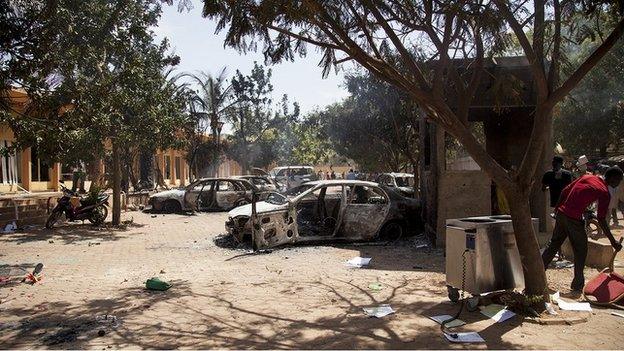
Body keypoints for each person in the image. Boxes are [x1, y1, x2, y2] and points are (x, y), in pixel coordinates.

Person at [542, 166, 624, 291]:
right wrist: (613, 242)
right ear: (613, 178)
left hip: (562, 214)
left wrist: (557, 210)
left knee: (553, 244)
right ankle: (577, 285)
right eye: (619, 180)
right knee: (581, 250)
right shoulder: (604, 192)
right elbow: (601, 219)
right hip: (573, 219)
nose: (619, 183)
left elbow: (565, 191)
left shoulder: (588, 177)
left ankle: (537, 274)